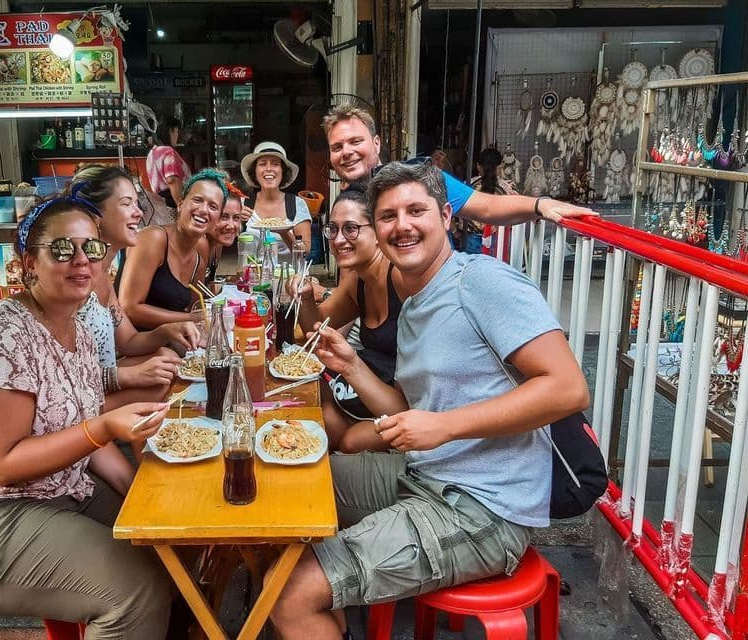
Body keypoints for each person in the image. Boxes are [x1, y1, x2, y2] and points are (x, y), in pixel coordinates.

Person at [270, 162, 589, 639]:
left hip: (484, 507)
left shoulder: (481, 282)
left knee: (289, 592)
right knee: (287, 488)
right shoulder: (415, 297)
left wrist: (445, 426)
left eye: (416, 211)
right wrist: (351, 366)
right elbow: (406, 411)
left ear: (445, 216)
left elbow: (568, 388)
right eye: (388, 216)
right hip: (425, 474)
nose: (402, 225)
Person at [0, 197, 172, 639]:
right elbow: (1, 464)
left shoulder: (78, 330)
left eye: (91, 248)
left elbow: (86, 432)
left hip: (56, 491)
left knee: (169, 546)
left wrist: (143, 496)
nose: (81, 260)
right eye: (62, 249)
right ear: (29, 263)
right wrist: (103, 427)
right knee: (136, 591)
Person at [323, 103, 596, 224]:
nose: (346, 152)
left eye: (355, 141)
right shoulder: (347, 201)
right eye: (337, 147)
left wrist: (540, 205)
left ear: (376, 143)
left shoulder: (418, 179)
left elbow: (486, 207)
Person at [70, 166, 203, 404]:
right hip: (75, 401)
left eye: (136, 203)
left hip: (98, 385)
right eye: (126, 203)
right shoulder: (75, 279)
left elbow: (129, 341)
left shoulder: (102, 275)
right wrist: (128, 376)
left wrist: (167, 330)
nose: (138, 212)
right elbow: (59, 377)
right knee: (162, 378)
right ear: (95, 215)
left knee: (166, 359)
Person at [288, 186, 398, 454]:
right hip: (368, 386)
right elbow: (316, 328)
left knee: (350, 441)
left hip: (406, 403)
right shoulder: (358, 280)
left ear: (378, 232)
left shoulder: (400, 280)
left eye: (351, 229)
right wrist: (305, 297)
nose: (338, 240)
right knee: (318, 416)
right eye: (333, 229)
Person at [116, 168, 227, 330]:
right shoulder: (153, 238)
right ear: (180, 204)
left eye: (213, 206)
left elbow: (196, 306)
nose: (204, 210)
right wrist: (194, 319)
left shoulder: (201, 246)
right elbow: (129, 308)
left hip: (174, 338)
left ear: (217, 218)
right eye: (197, 200)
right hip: (133, 339)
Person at [240, 141, 312, 253]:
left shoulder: (296, 204)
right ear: (254, 171)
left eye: (275, 164)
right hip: (252, 265)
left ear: (283, 171)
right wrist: (234, 219)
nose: (269, 169)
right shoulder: (243, 204)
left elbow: (305, 251)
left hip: (289, 265)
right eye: (262, 164)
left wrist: (284, 233)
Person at [460, 146, 519, 255]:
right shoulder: (509, 187)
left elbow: (457, 211)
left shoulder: (467, 185)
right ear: (500, 166)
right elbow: (516, 215)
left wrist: (456, 232)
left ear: (478, 166)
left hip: (471, 239)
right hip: (499, 240)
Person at [145, 117, 192, 209]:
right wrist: (181, 205)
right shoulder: (168, 152)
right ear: (170, 131)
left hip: (160, 204)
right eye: (177, 131)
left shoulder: (152, 152)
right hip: (173, 202)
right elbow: (172, 180)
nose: (177, 136)